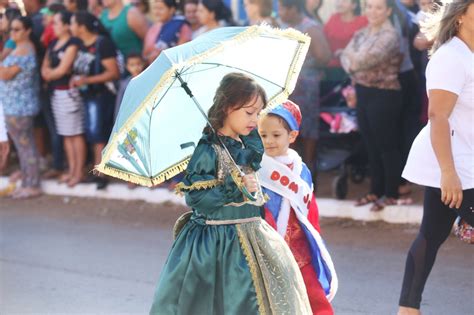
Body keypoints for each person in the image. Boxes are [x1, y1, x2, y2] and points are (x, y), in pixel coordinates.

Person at [149, 72, 312, 314]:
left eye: (258, 113)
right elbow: (196, 199)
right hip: (216, 245)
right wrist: (236, 187)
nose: (255, 120)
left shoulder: (245, 146)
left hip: (253, 237)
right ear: (227, 107)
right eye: (249, 113)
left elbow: (254, 169)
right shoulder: (207, 151)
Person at [398, 1, 474, 314]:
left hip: (466, 161)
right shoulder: (452, 58)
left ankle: (407, 309)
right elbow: (437, 116)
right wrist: (447, 172)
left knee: (431, 233)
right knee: (431, 234)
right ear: (460, 16)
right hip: (456, 165)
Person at [257, 100, 337, 315]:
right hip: (270, 247)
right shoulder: (256, 168)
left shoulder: (301, 169)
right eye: (263, 135)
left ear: (291, 136)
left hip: (300, 250)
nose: (268, 141)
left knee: (315, 300)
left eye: (276, 135)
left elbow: (311, 211)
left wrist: (315, 241)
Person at [341, 0, 408, 211]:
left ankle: (391, 193)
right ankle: (375, 191)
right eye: (369, 6)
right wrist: (352, 60)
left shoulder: (390, 35)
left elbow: (362, 60)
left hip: (384, 95)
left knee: (386, 145)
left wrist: (352, 60)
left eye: (379, 7)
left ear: (388, 11)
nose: (373, 11)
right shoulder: (362, 32)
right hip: (364, 92)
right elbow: (345, 57)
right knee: (370, 144)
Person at [278, 0, 331, 175]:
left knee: (307, 127)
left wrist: (304, 62)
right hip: (286, 87)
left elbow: (324, 56)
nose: (279, 12)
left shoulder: (310, 28)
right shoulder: (282, 26)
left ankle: (308, 167)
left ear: (294, 9)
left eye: (283, 8)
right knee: (286, 125)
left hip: (306, 85)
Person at [71, 11, 120, 189]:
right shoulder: (81, 44)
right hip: (87, 95)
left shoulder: (102, 44)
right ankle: (97, 170)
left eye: (73, 23)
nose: (71, 27)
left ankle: (102, 173)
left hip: (101, 95)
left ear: (82, 27)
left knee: (99, 133)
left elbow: (112, 72)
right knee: (93, 133)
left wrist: (86, 80)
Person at [42, 10, 86, 187]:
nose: (54, 26)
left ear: (67, 25)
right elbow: (45, 67)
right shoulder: (53, 43)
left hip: (69, 93)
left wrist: (51, 73)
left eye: (57, 23)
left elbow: (63, 68)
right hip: (56, 92)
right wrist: (51, 73)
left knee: (75, 133)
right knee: (66, 134)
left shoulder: (73, 43)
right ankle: (72, 169)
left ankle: (79, 171)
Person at [0, 16, 42, 199]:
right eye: (12, 30)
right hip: (14, 106)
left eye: (17, 29)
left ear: (27, 31)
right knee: (23, 147)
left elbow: (6, 74)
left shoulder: (25, 51)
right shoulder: (19, 49)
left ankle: (33, 184)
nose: (13, 33)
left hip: (20, 107)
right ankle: (27, 180)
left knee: (26, 147)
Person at [323, 0, 367, 86]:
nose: (339, 3)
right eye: (338, 1)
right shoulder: (333, 19)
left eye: (344, 1)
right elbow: (324, 41)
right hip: (333, 70)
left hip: (355, 70)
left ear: (354, 5)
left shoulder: (363, 22)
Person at [143, 0, 192, 64]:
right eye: (155, 8)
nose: (156, 12)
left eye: (160, 9)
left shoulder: (181, 26)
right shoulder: (153, 28)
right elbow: (145, 53)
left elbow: (181, 53)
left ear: (172, 10)